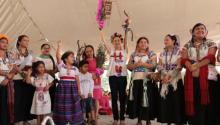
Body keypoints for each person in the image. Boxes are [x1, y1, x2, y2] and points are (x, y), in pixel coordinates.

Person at [181, 23, 217, 125]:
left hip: (209, 79)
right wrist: (190, 66)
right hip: (192, 79)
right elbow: (184, 59)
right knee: (195, 104)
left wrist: (196, 66)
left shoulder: (211, 43)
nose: (200, 30)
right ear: (193, 32)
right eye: (197, 29)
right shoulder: (187, 44)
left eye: (202, 29)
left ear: (206, 32)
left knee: (209, 105)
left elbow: (210, 57)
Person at [156, 34, 186, 125]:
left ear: (173, 41)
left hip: (175, 80)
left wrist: (170, 77)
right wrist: (164, 75)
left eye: (167, 40)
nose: (165, 41)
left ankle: (177, 121)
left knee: (176, 102)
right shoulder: (162, 53)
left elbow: (179, 66)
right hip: (164, 79)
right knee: (166, 102)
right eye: (164, 40)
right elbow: (159, 65)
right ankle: (168, 121)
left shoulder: (179, 52)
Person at [127, 37, 158, 125]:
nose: (143, 44)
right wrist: (135, 65)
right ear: (138, 44)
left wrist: (143, 64)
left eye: (145, 42)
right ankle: (139, 120)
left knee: (148, 100)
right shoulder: (133, 54)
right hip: (136, 80)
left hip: (147, 80)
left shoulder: (151, 54)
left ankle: (148, 120)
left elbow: (154, 65)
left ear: (147, 44)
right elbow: (129, 66)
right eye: (141, 42)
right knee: (137, 100)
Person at [100, 31, 128, 125]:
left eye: (118, 40)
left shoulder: (124, 51)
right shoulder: (111, 51)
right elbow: (104, 42)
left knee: (123, 98)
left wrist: (126, 30)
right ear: (112, 42)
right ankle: (116, 118)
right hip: (113, 77)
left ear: (121, 41)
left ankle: (122, 119)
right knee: (114, 98)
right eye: (115, 40)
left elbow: (126, 41)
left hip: (122, 77)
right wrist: (101, 31)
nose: (117, 42)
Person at [53, 42, 84, 125]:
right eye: (71, 56)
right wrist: (59, 46)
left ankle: (73, 121)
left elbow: (77, 80)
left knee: (73, 105)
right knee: (62, 105)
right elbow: (57, 56)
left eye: (73, 56)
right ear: (66, 59)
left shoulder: (75, 69)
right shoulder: (61, 66)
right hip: (62, 89)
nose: (73, 58)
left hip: (73, 89)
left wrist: (79, 90)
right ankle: (62, 121)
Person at [9, 35, 35, 125]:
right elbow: (13, 65)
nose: (27, 42)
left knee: (27, 99)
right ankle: (16, 119)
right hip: (17, 78)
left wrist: (28, 75)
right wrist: (22, 73)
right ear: (19, 41)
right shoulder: (14, 51)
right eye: (24, 40)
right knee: (18, 99)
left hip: (27, 78)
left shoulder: (30, 53)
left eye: (28, 40)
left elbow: (32, 66)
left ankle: (26, 119)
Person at [26, 61, 54, 125]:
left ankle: (43, 123)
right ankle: (39, 123)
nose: (42, 68)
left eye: (43, 67)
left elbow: (52, 82)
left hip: (45, 95)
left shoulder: (47, 75)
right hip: (37, 95)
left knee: (44, 111)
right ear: (36, 68)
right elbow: (27, 82)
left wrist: (48, 86)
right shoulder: (35, 77)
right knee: (38, 111)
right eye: (40, 67)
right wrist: (28, 74)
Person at [0, 34, 17, 125]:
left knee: (7, 105)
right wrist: (7, 75)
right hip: (1, 81)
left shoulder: (9, 55)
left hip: (8, 83)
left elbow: (14, 68)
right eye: (2, 42)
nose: (5, 44)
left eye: (6, 43)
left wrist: (8, 78)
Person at [35, 43, 58, 111]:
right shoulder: (37, 58)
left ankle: (50, 115)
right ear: (41, 49)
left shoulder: (53, 58)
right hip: (42, 80)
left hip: (51, 80)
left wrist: (53, 71)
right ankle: (42, 114)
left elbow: (56, 68)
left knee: (52, 96)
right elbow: (35, 70)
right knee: (43, 96)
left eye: (48, 48)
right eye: (45, 48)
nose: (47, 49)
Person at [82, 45, 102, 120]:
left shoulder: (97, 60)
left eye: (90, 51)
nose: (89, 53)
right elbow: (82, 71)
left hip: (96, 81)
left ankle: (96, 115)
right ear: (85, 52)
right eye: (87, 51)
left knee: (96, 98)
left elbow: (101, 69)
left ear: (93, 51)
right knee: (89, 98)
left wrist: (97, 75)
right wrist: (90, 75)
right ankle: (90, 116)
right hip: (87, 81)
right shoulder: (84, 61)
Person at [78, 60, 96, 125]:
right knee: (83, 107)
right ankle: (83, 120)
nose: (87, 68)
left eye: (87, 67)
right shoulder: (78, 76)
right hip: (82, 96)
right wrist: (81, 94)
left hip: (89, 95)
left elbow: (92, 84)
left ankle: (93, 119)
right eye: (85, 67)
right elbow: (78, 85)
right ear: (80, 68)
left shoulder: (90, 75)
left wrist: (90, 92)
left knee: (91, 106)